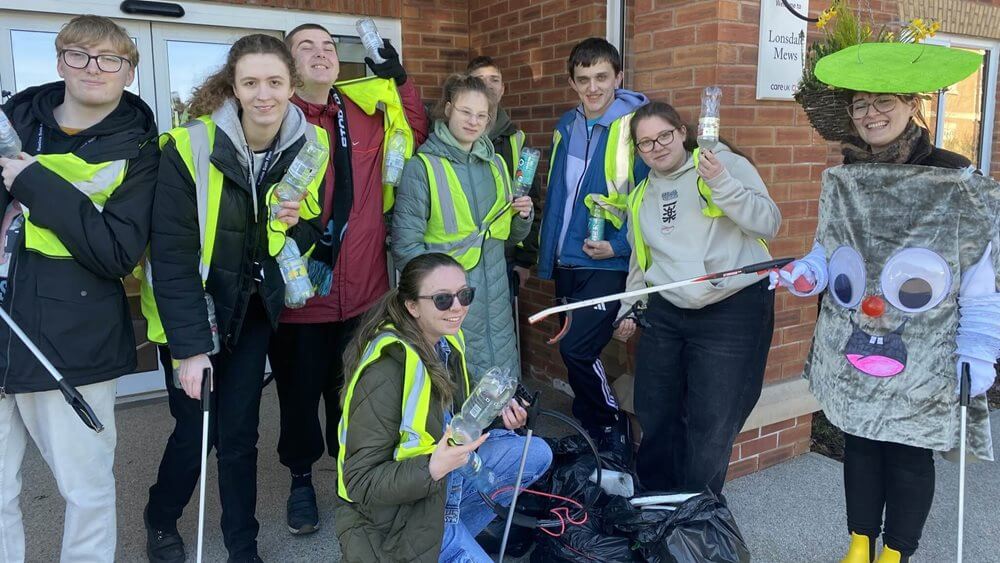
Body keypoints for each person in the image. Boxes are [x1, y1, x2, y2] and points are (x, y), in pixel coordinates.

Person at [777, 41, 998, 563]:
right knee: (860, 443)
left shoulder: (953, 177)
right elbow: (830, 249)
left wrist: (980, 348)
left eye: (883, 102)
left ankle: (896, 552)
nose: (870, 114)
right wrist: (809, 273)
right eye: (860, 104)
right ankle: (859, 541)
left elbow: (979, 277)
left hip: (924, 352)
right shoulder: (846, 177)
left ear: (911, 105)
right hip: (859, 343)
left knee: (907, 449)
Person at [141, 34, 326, 563]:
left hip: (250, 313)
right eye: (251, 83)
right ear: (234, 87)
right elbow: (172, 255)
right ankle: (160, 517)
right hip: (190, 315)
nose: (264, 95)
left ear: (293, 84)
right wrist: (192, 347)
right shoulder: (186, 145)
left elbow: (303, 232)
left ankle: (242, 547)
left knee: (240, 434)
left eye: (275, 82)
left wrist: (300, 225)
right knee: (197, 433)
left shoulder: (307, 144)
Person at [0, 14, 157, 562]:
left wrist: (34, 182)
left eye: (110, 58)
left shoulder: (141, 150)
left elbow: (115, 251)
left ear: (129, 72)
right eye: (79, 55)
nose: (94, 68)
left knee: (85, 492)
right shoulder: (12, 125)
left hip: (73, 343)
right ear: (59, 60)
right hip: (3, 328)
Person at [270, 23, 429, 535]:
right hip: (301, 297)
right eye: (305, 47)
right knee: (299, 397)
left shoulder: (364, 111)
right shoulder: (274, 117)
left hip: (362, 293)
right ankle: (300, 479)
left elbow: (415, 130)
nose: (320, 54)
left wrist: (400, 79)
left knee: (356, 398)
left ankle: (350, 477)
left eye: (328, 47)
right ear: (289, 63)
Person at [334, 252, 552, 563]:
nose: (458, 307)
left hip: (444, 488)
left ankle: (452, 534)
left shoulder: (446, 343)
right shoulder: (386, 371)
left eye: (465, 295)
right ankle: (438, 543)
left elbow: (454, 420)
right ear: (412, 306)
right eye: (442, 299)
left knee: (536, 454)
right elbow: (360, 483)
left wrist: (499, 416)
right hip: (398, 515)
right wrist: (434, 466)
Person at [613, 101, 780, 494]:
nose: (657, 147)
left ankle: (696, 515)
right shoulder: (641, 196)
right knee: (655, 410)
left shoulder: (719, 163)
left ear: (682, 132)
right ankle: (654, 505)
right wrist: (630, 310)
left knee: (712, 420)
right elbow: (643, 261)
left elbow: (768, 223)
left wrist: (721, 182)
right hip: (669, 312)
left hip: (732, 310)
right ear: (638, 151)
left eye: (664, 136)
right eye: (645, 143)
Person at [536, 37, 648, 459]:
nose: (593, 87)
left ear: (619, 77)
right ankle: (589, 427)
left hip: (607, 262)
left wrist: (619, 247)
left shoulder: (637, 127)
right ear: (572, 82)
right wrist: (545, 258)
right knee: (575, 348)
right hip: (568, 260)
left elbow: (646, 200)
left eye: (602, 77)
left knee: (577, 348)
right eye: (583, 79)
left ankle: (610, 424)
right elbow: (560, 197)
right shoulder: (566, 124)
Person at [392, 74, 533, 382]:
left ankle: (501, 428)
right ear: (448, 109)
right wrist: (437, 298)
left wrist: (524, 216)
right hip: (450, 303)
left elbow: (509, 235)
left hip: (495, 298)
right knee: (454, 388)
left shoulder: (496, 164)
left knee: (500, 391)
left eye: (482, 115)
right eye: (466, 112)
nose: (473, 121)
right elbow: (406, 249)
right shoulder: (423, 167)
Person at [466, 56, 541, 304]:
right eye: (479, 80)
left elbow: (532, 202)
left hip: (505, 256)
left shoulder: (517, 140)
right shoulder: (456, 137)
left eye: (494, 80)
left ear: (503, 88)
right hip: (461, 256)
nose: (488, 86)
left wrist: (525, 260)